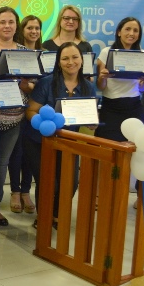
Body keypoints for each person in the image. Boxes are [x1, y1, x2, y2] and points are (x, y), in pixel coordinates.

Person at [25, 42, 96, 226]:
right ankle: (44, 217)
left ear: (82, 60)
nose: (70, 62)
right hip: (40, 141)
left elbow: (89, 118)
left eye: (75, 57)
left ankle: (55, 215)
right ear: (58, 62)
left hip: (69, 142)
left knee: (70, 183)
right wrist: (42, 125)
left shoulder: (88, 87)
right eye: (65, 58)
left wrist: (91, 123)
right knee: (49, 181)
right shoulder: (46, 83)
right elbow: (30, 111)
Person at [0, 7, 32, 227]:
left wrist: (23, 83)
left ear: (16, 25)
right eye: (2, 22)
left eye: (11, 22)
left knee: (3, 165)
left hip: (15, 117)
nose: (7, 26)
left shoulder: (24, 51)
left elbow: (32, 86)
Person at [7, 15, 43, 213]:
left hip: (36, 112)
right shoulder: (16, 51)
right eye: (30, 27)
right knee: (17, 153)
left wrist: (29, 86)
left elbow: (43, 84)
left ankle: (25, 192)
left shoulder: (45, 54)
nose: (33, 31)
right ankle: (14, 190)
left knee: (30, 155)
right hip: (16, 110)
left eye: (37, 28)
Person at [95, 17, 144, 141]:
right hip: (110, 107)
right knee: (107, 145)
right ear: (119, 32)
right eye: (127, 29)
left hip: (134, 106)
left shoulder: (142, 54)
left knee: (137, 144)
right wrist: (102, 78)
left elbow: (142, 89)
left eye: (136, 30)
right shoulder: (106, 52)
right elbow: (100, 87)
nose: (131, 33)